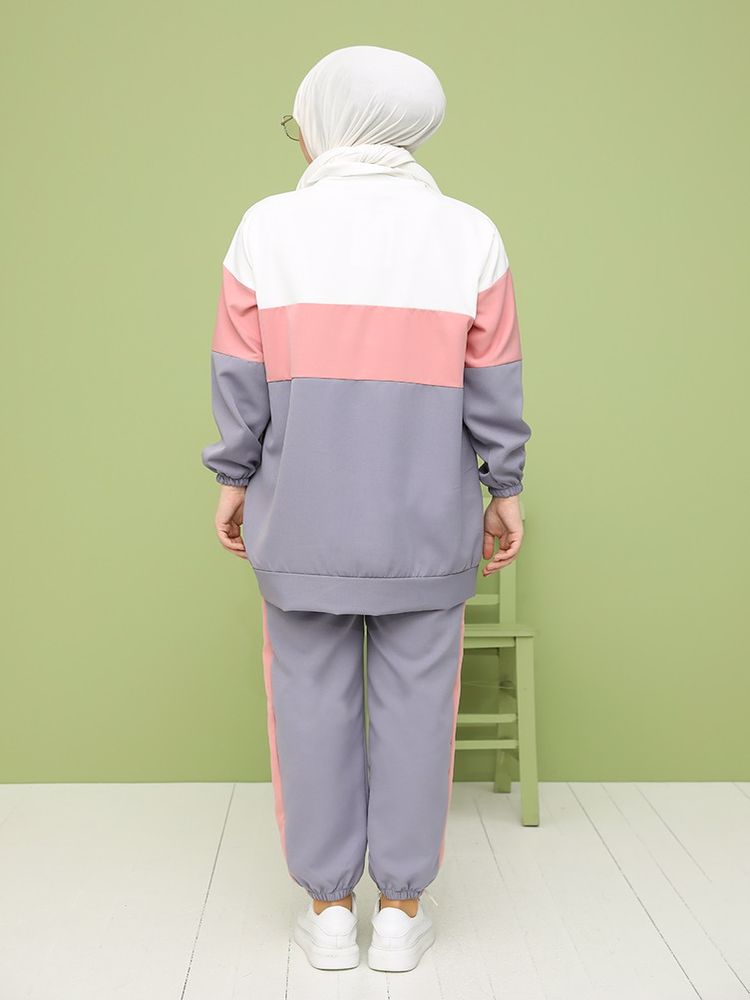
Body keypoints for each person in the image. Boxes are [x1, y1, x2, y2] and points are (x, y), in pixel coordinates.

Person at [201, 44, 532, 973]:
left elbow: (238, 379)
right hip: (428, 525)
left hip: (299, 517)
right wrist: (505, 488)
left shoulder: (266, 228)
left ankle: (327, 914)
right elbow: (496, 383)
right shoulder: (471, 234)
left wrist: (233, 477)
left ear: (330, 119)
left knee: (306, 709)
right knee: (421, 713)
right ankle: (400, 915)